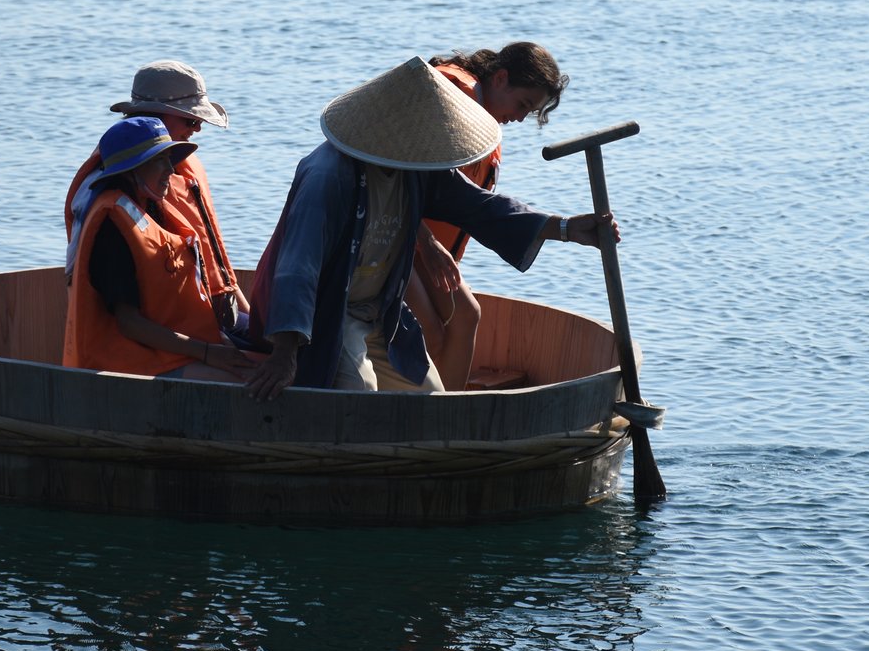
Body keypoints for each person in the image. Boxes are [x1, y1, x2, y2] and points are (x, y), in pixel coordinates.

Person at [244, 56, 616, 401]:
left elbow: (480, 206)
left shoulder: (413, 168)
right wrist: (285, 352)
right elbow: (298, 267)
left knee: (430, 401)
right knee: (358, 395)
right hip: (327, 314)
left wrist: (565, 228)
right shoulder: (328, 176)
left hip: (379, 313)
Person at [409, 42, 569, 390]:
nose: (520, 118)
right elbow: (400, 176)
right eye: (523, 104)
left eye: (530, 111)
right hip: (395, 237)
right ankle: (434, 411)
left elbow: (470, 204)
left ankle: (447, 409)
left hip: (425, 249)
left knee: (465, 316)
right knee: (431, 332)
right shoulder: (451, 93)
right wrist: (427, 242)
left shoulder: (481, 118)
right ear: (499, 78)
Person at [65, 60, 249, 345]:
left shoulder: (181, 167)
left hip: (215, 316)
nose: (198, 128)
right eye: (190, 120)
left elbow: (213, 259)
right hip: (174, 333)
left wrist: (250, 317)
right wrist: (212, 349)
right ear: (154, 116)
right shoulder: (120, 186)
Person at [64, 117, 258, 381]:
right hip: (126, 362)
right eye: (160, 160)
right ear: (131, 169)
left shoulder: (148, 207)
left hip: (165, 350)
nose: (170, 169)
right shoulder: (112, 228)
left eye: (169, 160)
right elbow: (129, 323)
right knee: (250, 382)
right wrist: (206, 352)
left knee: (267, 366)